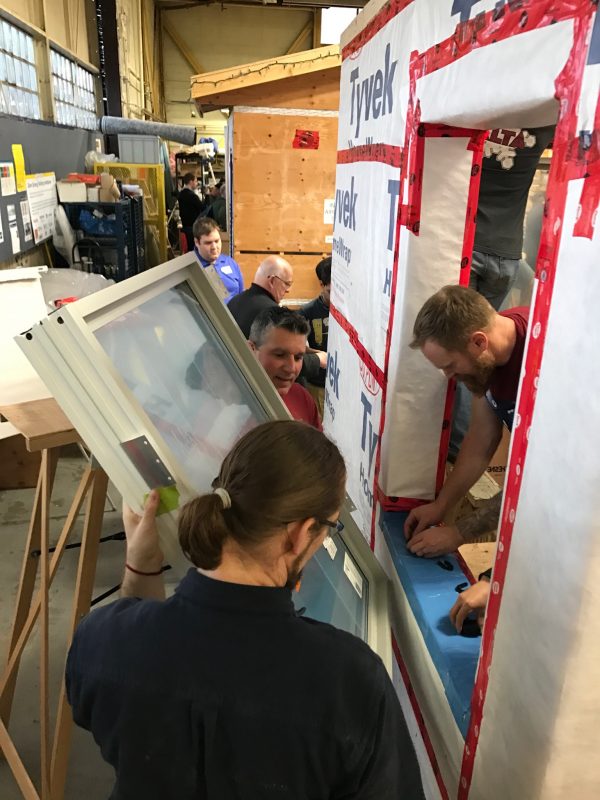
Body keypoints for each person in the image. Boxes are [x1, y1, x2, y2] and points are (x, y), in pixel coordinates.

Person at [66, 421, 425, 799]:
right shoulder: (350, 683)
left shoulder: (101, 640)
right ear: (301, 534)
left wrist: (140, 567)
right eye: (328, 529)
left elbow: (136, 670)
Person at [403, 285, 528, 630]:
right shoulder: (485, 366)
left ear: (478, 342)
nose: (448, 377)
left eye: (450, 366)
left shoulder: (543, 365)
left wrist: (461, 536)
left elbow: (537, 487)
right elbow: (479, 442)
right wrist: (441, 507)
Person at [249, 307, 321, 430]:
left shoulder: (303, 398)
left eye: (298, 357)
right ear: (251, 349)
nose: (291, 368)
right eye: (279, 355)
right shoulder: (230, 403)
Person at [299, 256, 331, 418]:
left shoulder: (348, 311)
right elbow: (298, 346)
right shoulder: (307, 312)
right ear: (321, 285)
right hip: (317, 383)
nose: (335, 297)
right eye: (330, 292)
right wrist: (319, 356)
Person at [193, 217, 244, 304]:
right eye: (208, 243)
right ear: (197, 242)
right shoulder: (191, 268)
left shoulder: (230, 262)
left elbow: (242, 293)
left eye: (217, 241)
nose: (214, 247)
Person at [178, 172, 205, 251]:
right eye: (196, 181)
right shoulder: (192, 195)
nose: (197, 183)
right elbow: (202, 207)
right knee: (194, 249)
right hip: (193, 226)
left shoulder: (181, 194)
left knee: (189, 249)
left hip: (185, 225)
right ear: (191, 182)